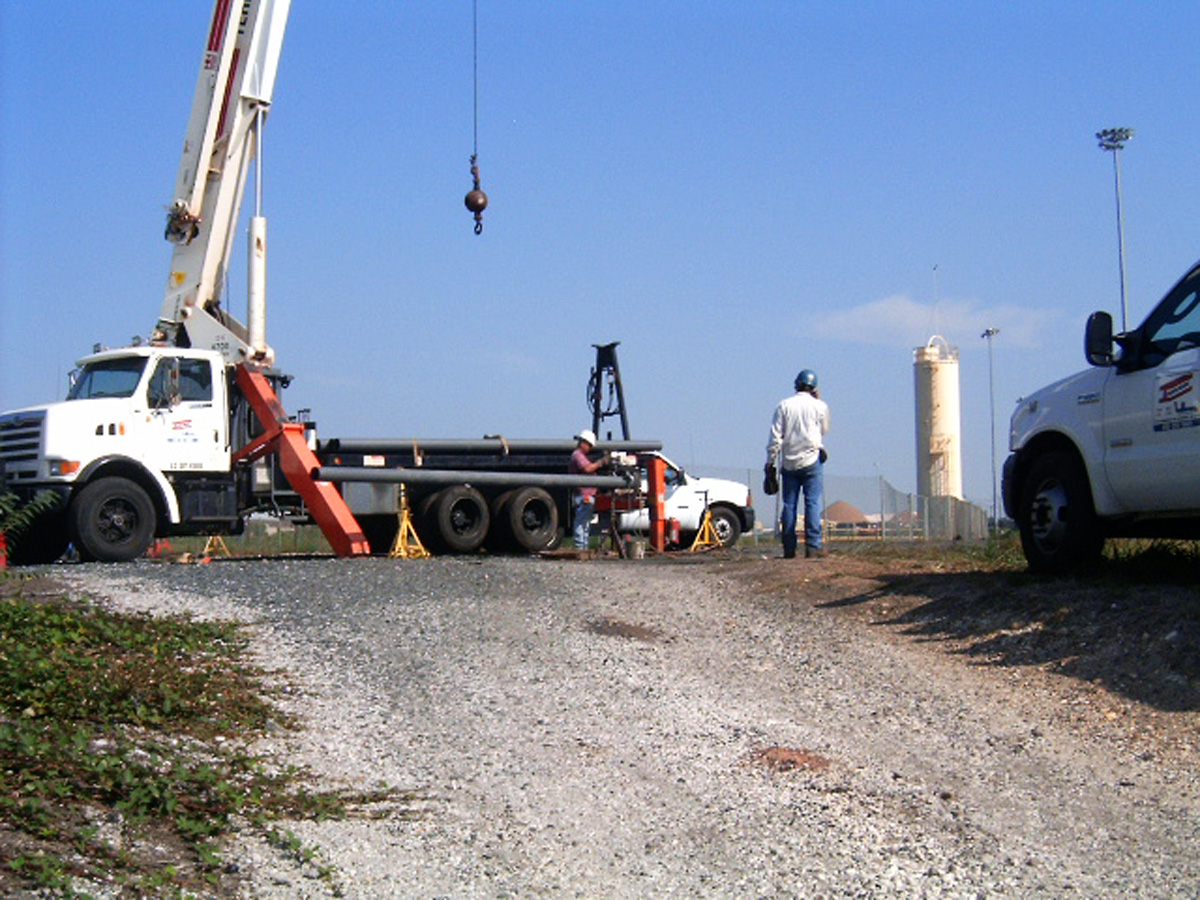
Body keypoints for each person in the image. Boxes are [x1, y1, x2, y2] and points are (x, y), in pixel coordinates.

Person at [765, 369, 830, 559]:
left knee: (789, 504)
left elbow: (775, 438)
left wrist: (770, 462)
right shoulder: (820, 406)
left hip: (789, 462)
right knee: (812, 502)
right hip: (811, 460)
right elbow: (824, 430)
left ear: (796, 385)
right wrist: (818, 400)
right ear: (814, 387)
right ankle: (813, 546)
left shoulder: (783, 406)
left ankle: (789, 547)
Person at [569, 429, 606, 550]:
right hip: (583, 495)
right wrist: (601, 462)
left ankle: (583, 547)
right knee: (581, 522)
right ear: (583, 442)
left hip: (586, 495)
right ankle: (580, 548)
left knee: (585, 524)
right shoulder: (578, 455)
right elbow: (587, 469)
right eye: (589, 445)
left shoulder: (581, 455)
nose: (590, 448)